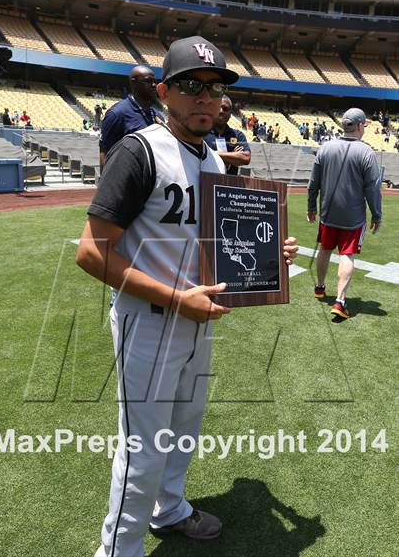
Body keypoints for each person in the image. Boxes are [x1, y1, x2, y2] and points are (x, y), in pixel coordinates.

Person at [76, 35, 298, 557]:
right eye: (191, 85)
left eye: (216, 87)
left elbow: (218, 244)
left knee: (183, 429)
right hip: (147, 321)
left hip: (197, 319)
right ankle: (118, 550)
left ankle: (168, 508)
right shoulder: (140, 150)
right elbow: (91, 253)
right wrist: (178, 299)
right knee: (143, 449)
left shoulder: (216, 163)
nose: (206, 97)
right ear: (164, 92)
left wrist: (270, 253)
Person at [307, 107, 382, 319]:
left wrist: (311, 207)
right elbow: (373, 188)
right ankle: (340, 301)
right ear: (359, 126)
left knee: (325, 248)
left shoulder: (325, 148)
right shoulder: (366, 152)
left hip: (328, 214)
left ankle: (320, 287)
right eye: (364, 126)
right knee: (346, 255)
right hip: (353, 217)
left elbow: (313, 183)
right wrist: (377, 215)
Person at [99, 65, 164, 169]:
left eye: (155, 81)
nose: (153, 85)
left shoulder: (158, 116)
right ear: (134, 83)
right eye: (148, 81)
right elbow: (105, 155)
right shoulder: (117, 114)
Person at [204, 94, 251, 175]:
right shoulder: (202, 133)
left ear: (230, 113)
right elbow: (199, 155)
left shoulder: (238, 135)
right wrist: (233, 156)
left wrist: (210, 154)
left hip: (229, 184)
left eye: (225, 109)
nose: (221, 111)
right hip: (206, 181)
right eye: (218, 107)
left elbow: (246, 158)